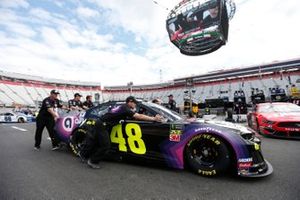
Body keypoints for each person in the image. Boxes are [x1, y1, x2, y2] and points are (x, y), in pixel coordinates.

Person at [79, 96, 163, 169]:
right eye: (134, 103)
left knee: (93, 141)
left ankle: (83, 154)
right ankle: (93, 161)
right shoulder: (125, 108)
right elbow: (138, 116)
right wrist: (153, 119)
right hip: (102, 125)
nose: (135, 105)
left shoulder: (121, 107)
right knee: (105, 145)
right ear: (130, 102)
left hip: (100, 123)